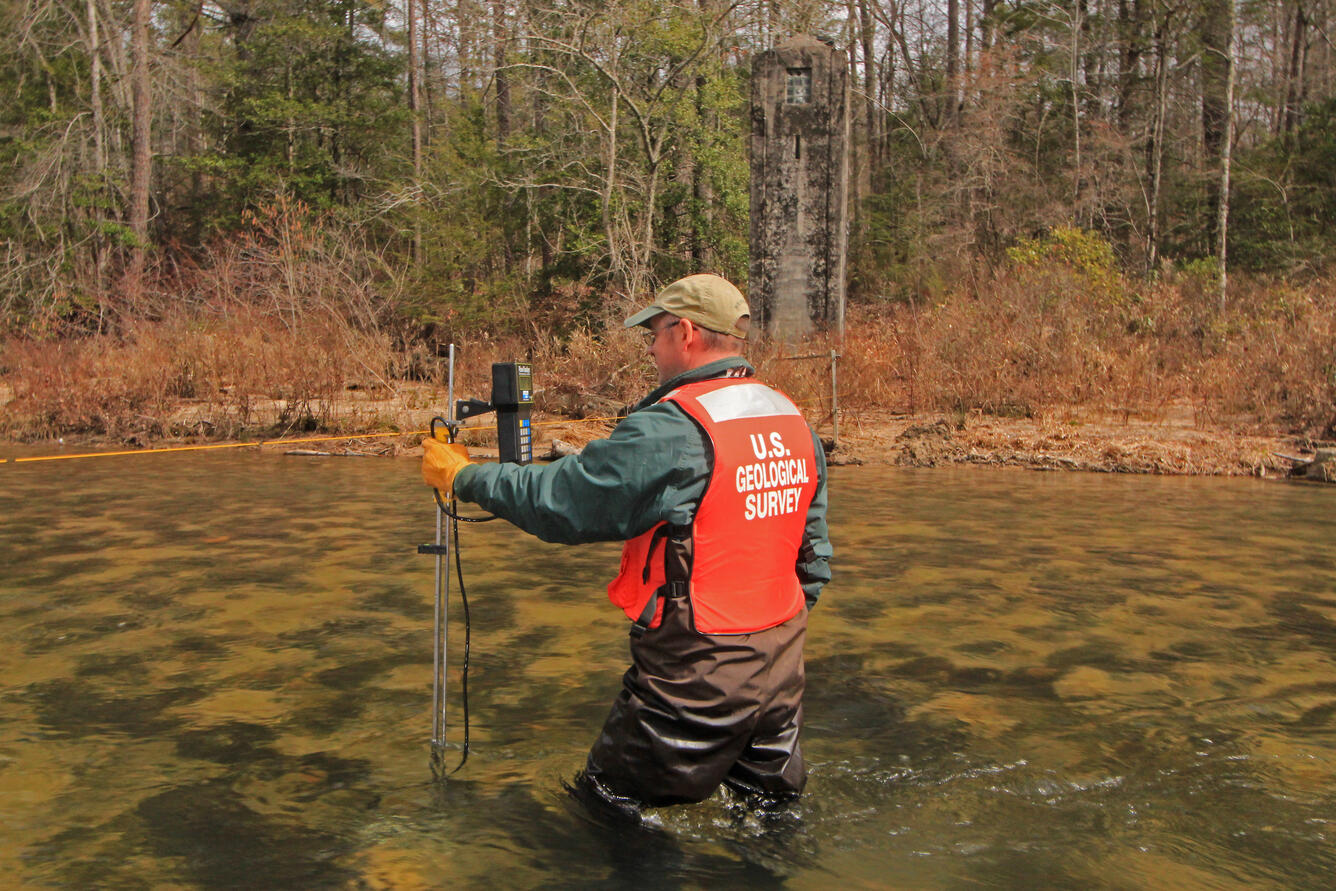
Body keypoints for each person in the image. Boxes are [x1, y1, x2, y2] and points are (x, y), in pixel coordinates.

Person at [421, 273, 832, 813]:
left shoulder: (675, 427)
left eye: (656, 334)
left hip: (698, 675)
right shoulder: (787, 415)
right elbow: (814, 557)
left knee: (605, 812)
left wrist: (464, 478)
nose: (652, 349)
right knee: (768, 818)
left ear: (685, 333)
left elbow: (564, 501)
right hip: (782, 665)